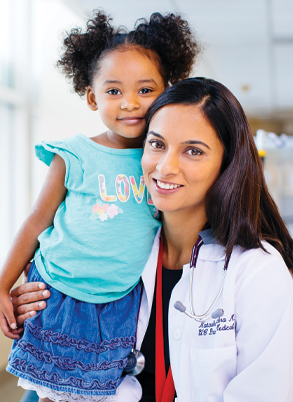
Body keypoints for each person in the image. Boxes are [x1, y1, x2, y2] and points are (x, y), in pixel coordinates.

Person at [11, 77, 293, 402]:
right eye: (157, 144)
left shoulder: (257, 272)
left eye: (193, 151)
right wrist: (40, 302)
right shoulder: (118, 253)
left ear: (227, 164)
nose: (165, 166)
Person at [0, 10, 199, 402]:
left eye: (145, 90)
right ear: (92, 97)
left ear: (167, 91)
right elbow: (36, 222)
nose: (130, 104)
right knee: (47, 393)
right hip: (56, 291)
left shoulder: (165, 162)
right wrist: (2, 285)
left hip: (119, 302)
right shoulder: (73, 155)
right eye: (113, 91)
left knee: (99, 393)